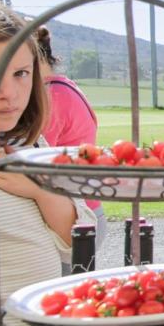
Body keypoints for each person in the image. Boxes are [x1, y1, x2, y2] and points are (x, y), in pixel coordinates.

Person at [0, 3, 91, 326]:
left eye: (21, 74)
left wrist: (36, 187)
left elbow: (81, 230)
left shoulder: (33, 147)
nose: (7, 93)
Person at [36, 27, 105, 263]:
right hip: (83, 208)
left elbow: (38, 162)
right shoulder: (63, 86)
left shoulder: (52, 95)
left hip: (75, 216)